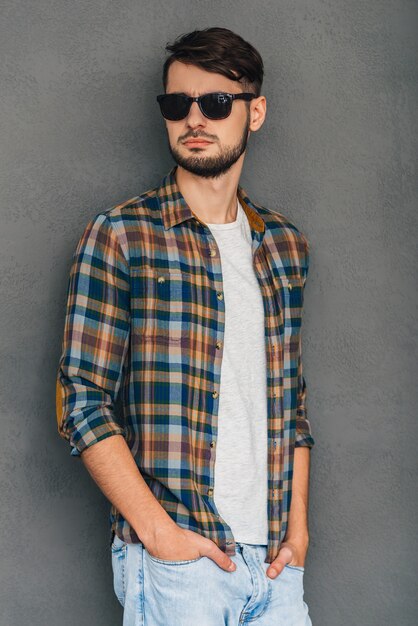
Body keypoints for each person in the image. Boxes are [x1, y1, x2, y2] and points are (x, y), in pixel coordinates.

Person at [56, 26, 315, 625]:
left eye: (216, 103)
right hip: (180, 565)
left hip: (275, 567)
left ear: (255, 112)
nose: (194, 118)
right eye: (178, 104)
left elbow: (292, 407)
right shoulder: (121, 235)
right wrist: (158, 534)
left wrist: (298, 535)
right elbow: (82, 399)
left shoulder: (284, 247)